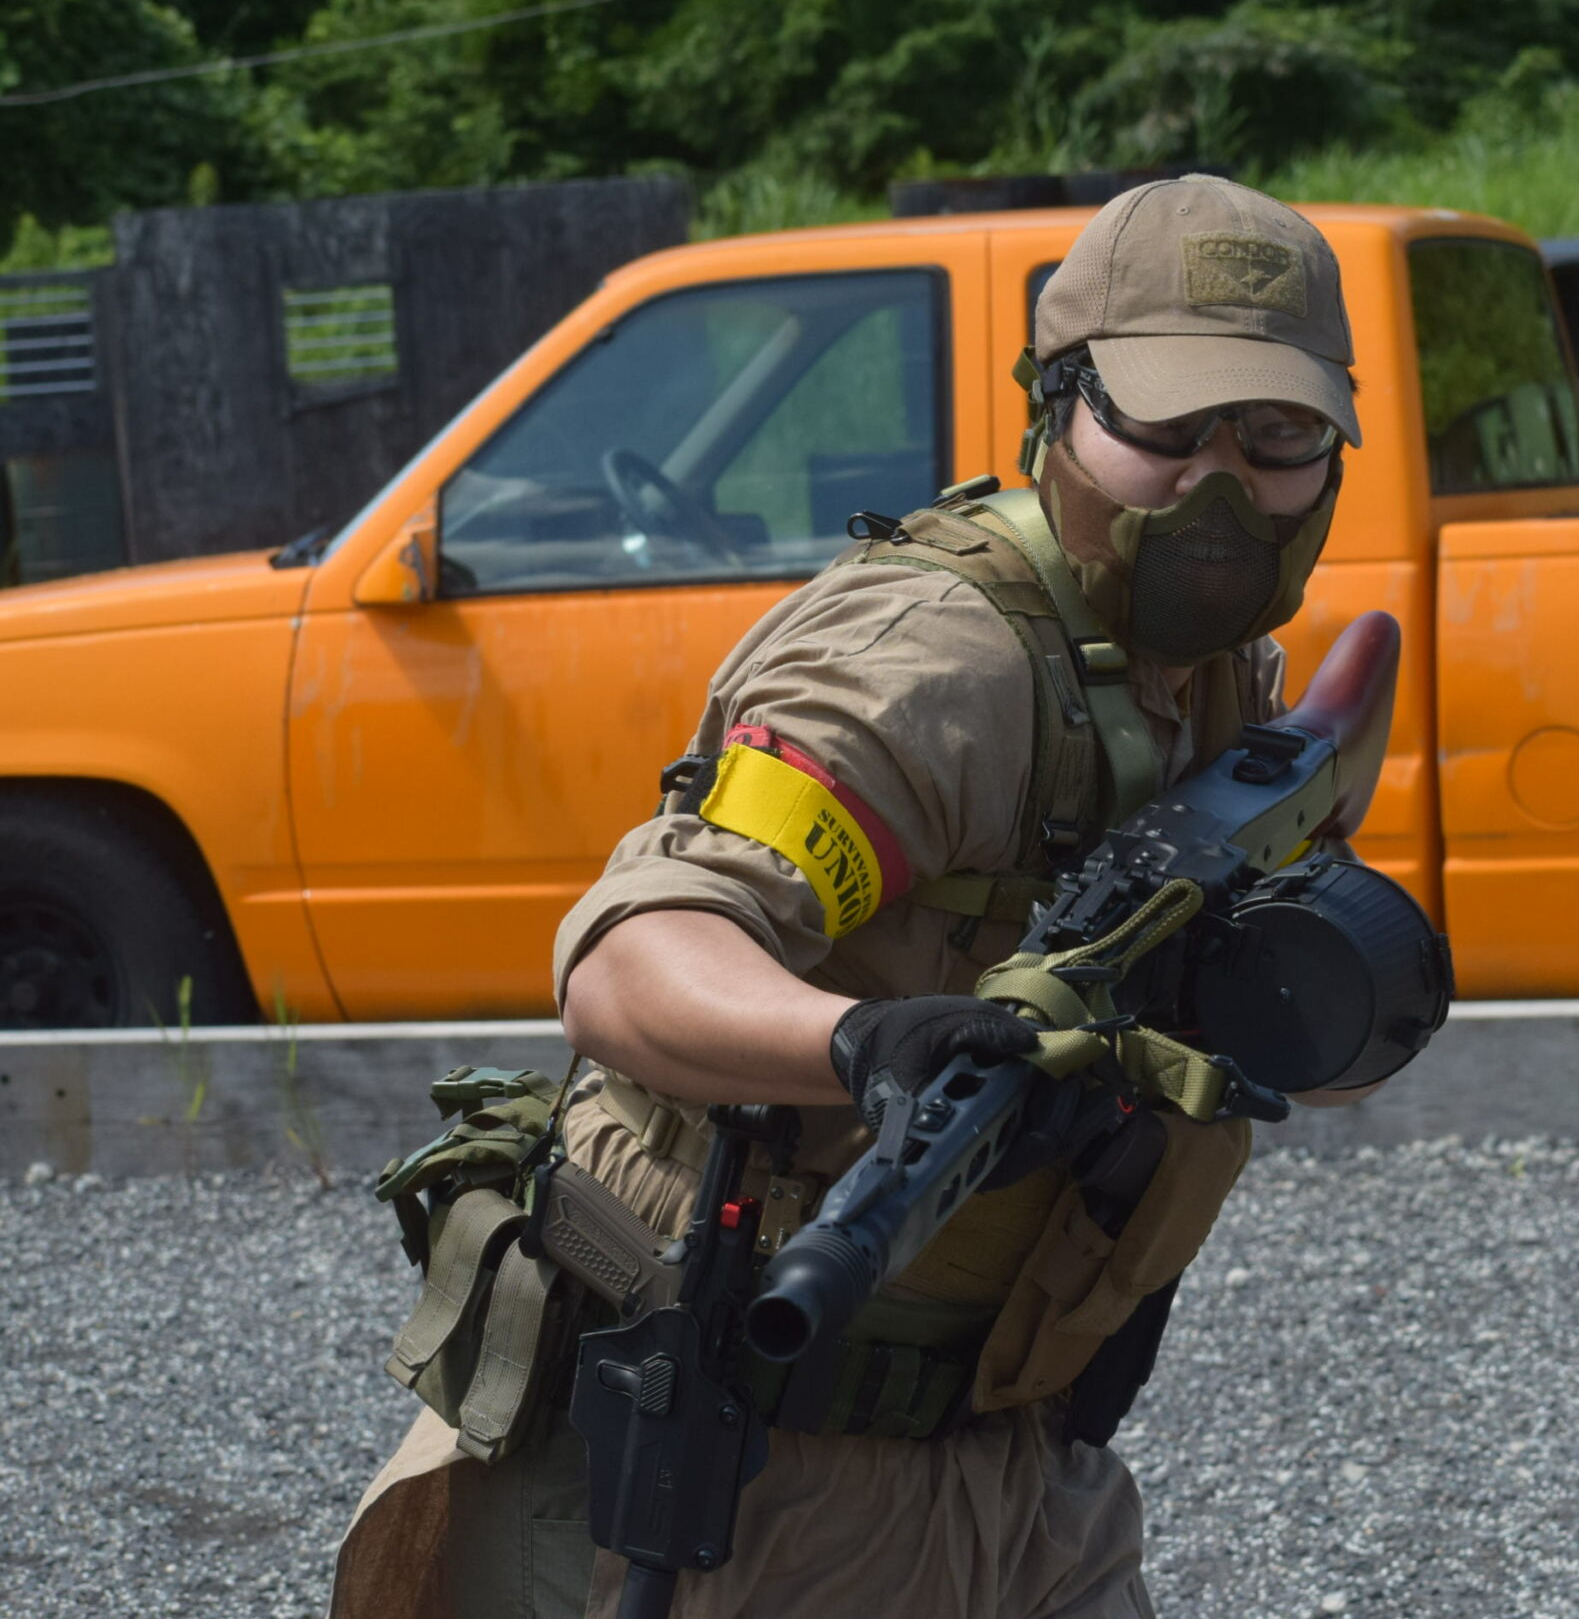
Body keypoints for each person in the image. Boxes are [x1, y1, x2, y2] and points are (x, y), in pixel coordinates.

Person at [331, 174, 1367, 1619]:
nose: (1220, 483)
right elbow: (636, 955)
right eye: (1166, 427)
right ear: (1058, 409)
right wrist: (857, 1044)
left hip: (1010, 1445)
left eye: (1276, 435)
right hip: (752, 1449)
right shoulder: (936, 665)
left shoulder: (1211, 677)